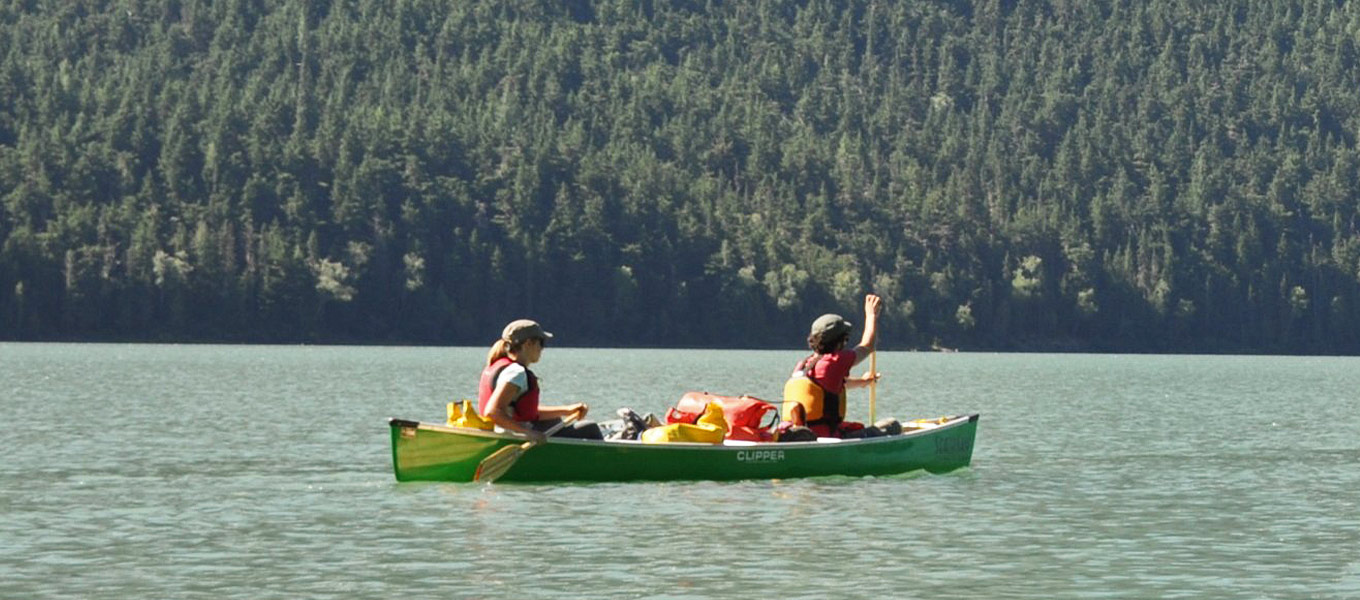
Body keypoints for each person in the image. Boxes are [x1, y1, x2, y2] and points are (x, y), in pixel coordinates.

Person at [477, 319, 602, 441]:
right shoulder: (516, 373)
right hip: (512, 438)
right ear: (528, 344)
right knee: (590, 428)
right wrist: (528, 433)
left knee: (554, 420)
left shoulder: (501, 366)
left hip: (504, 433)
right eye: (541, 343)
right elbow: (493, 412)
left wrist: (566, 410)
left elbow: (525, 412)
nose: (542, 349)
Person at [781, 294, 883, 438]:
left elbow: (829, 387)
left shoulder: (804, 365)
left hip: (797, 435)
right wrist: (871, 315)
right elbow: (867, 346)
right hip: (825, 436)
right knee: (890, 426)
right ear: (840, 342)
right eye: (845, 339)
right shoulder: (835, 361)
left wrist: (863, 382)